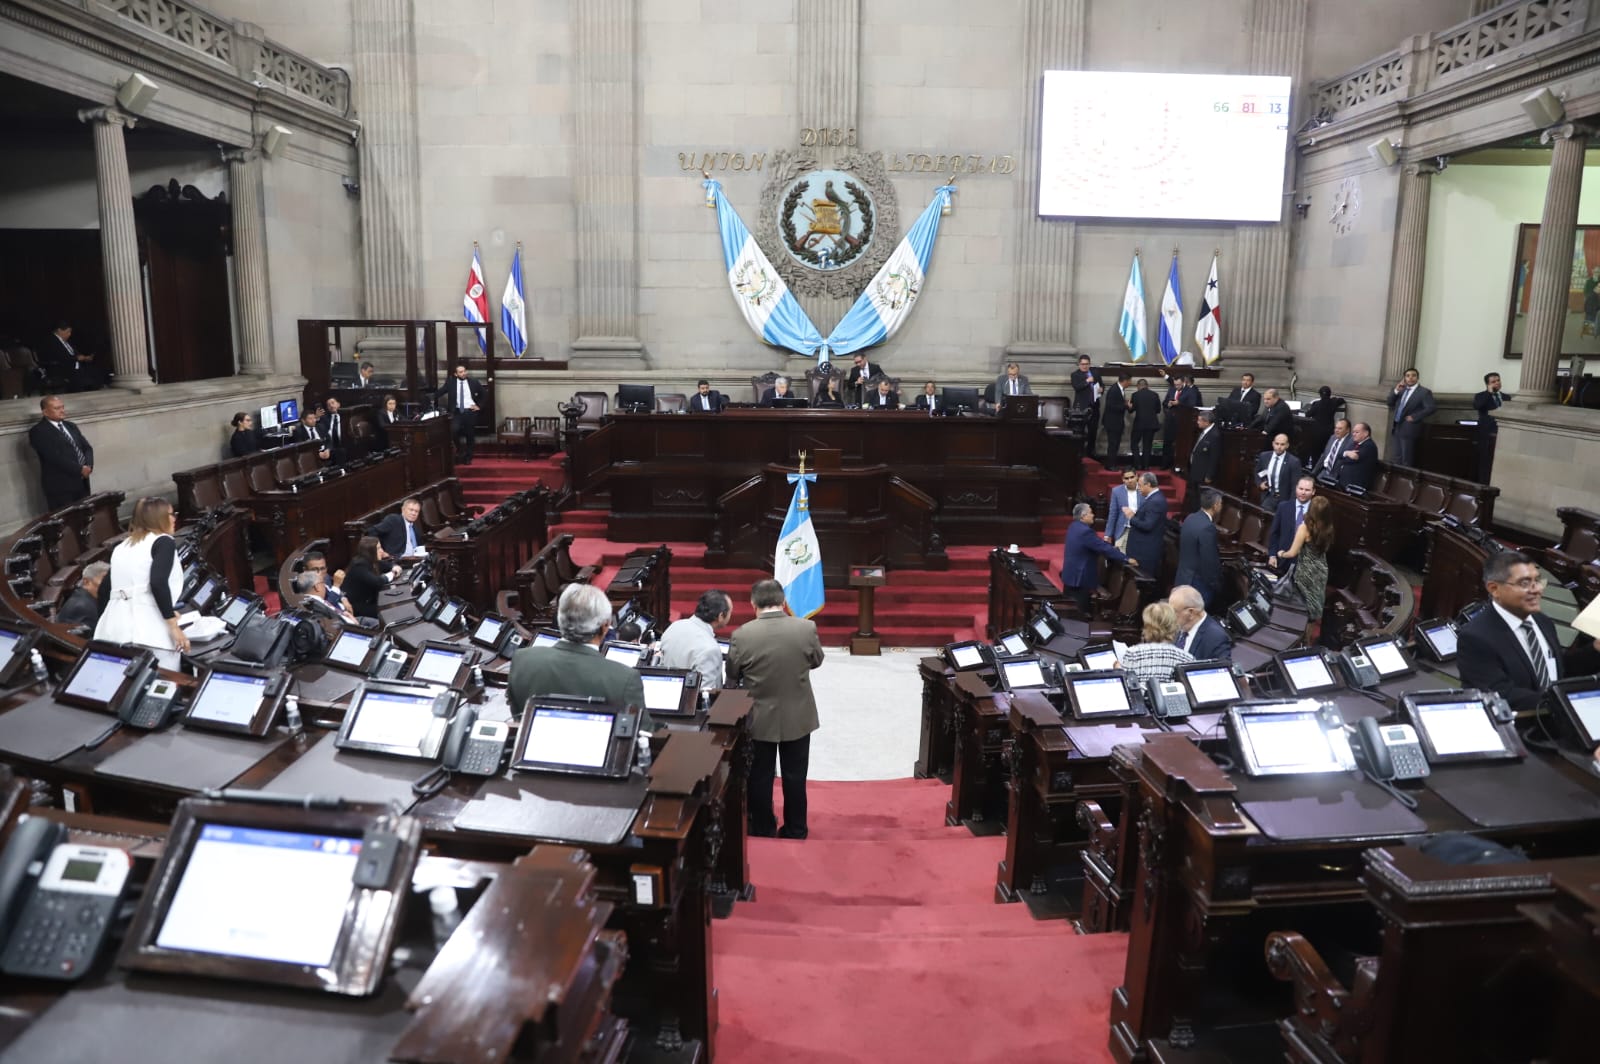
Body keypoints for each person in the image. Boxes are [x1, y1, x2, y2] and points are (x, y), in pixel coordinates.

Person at [726, 578, 824, 839]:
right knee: (795, 777)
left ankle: (762, 828)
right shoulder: (806, 628)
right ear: (783, 602)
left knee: (760, 777)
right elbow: (816, 661)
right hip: (798, 716)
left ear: (752, 604)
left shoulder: (742, 634)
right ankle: (796, 829)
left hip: (758, 718)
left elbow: (733, 672)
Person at [1458, 552, 1600, 712]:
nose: (1537, 590)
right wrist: (1566, 702)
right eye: (1525, 583)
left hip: (1556, 717)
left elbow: (1558, 669)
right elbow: (1501, 694)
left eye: (1538, 581)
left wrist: (1595, 649)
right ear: (1494, 588)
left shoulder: (1542, 621)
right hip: (1521, 727)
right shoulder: (1476, 637)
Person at [507, 583, 652, 726]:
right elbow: (644, 734)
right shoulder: (625, 678)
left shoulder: (522, 660)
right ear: (605, 626)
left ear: (560, 619)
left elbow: (518, 718)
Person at [94, 497, 187, 670]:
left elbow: (104, 591)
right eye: (171, 514)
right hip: (149, 632)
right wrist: (172, 624)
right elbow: (158, 582)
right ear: (158, 517)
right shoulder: (163, 541)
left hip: (113, 631)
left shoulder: (121, 547)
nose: (174, 518)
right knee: (163, 688)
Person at [1273, 494, 1334, 628]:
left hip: (1306, 570)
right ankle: (1308, 635)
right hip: (1321, 569)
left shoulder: (1305, 528)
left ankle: (1296, 631)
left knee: (1301, 605)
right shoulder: (1328, 528)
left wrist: (1281, 553)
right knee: (1314, 604)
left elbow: (1293, 552)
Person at [1060, 503, 1133, 612]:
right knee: (1080, 612)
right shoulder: (1085, 531)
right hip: (1080, 579)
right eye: (1091, 512)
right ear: (1083, 516)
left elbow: (1097, 544)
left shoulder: (1073, 526)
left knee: (1068, 608)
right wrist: (1127, 559)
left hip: (1070, 575)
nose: (1093, 515)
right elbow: (1103, 548)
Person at [27, 395, 94, 510]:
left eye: (62, 407)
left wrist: (88, 466)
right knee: (67, 524)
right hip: (61, 487)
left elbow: (87, 447)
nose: (62, 410)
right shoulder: (38, 431)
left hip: (82, 482)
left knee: (85, 517)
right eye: (57, 408)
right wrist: (80, 469)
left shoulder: (71, 426)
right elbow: (54, 458)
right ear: (45, 412)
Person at [658, 589, 732, 692]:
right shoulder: (710, 649)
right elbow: (705, 695)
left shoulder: (674, 626)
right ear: (720, 616)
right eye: (730, 612)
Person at [1115, 602, 1196, 682]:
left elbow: (1127, 685)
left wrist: (1118, 670)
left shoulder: (1132, 654)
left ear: (1147, 627)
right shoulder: (1187, 659)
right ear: (1173, 626)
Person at [1174, 487, 1224, 608]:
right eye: (1221, 504)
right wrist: (1216, 584)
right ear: (1215, 505)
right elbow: (1209, 560)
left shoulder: (1191, 518)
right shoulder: (1208, 527)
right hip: (1197, 585)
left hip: (1183, 577)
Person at [340, 535, 401, 620]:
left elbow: (388, 565)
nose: (382, 551)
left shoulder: (371, 561)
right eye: (379, 548)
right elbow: (377, 582)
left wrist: (394, 567)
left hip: (369, 600)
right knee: (389, 611)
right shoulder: (359, 565)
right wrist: (393, 572)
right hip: (357, 606)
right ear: (370, 551)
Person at [1386, 367, 1436, 468]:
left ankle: (1404, 481)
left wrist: (1415, 416)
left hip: (1409, 428)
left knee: (1407, 459)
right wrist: (1396, 391)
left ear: (1417, 377)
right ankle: (1395, 480)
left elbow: (1431, 408)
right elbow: (1390, 403)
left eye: (1413, 375)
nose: (1410, 378)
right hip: (1397, 426)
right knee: (1396, 457)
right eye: (1408, 376)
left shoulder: (1424, 392)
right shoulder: (1401, 390)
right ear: (1404, 378)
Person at [1170, 584, 1232, 662]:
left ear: (1191, 613)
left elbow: (1223, 670)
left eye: (1174, 611)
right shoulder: (1177, 627)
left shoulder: (1216, 638)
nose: (1170, 615)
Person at [437, 362, 484, 463]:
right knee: (453, 430)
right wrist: (428, 397)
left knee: (470, 434)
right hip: (457, 411)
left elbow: (484, 394)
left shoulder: (473, 382)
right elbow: (441, 392)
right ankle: (459, 449)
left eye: (464, 371)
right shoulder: (451, 382)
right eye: (460, 372)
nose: (463, 373)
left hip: (469, 411)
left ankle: (468, 457)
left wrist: (478, 406)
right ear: (456, 374)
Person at [1123, 472, 1168, 577]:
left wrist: (1131, 517)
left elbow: (1148, 525)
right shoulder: (1154, 498)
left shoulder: (1155, 501)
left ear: (1148, 485)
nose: (1138, 488)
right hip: (1142, 550)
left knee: (1142, 582)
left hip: (1144, 553)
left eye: (1140, 485)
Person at [38, 321, 100, 391]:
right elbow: (59, 356)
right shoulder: (51, 341)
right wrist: (76, 358)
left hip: (74, 364)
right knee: (86, 374)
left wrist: (84, 357)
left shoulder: (66, 341)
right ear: (59, 330)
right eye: (68, 332)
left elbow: (74, 352)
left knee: (94, 370)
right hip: (61, 367)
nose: (69, 334)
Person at [1472, 372, 1509, 484]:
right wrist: (1489, 392)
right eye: (1493, 382)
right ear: (1488, 384)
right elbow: (1477, 406)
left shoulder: (1506, 397)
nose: (1497, 383)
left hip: (1503, 433)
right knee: (1485, 462)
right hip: (1487, 434)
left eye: (1498, 380)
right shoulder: (1481, 396)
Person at [1268, 475, 1316, 560]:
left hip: (1304, 562)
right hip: (1281, 558)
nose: (1303, 492)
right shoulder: (1283, 507)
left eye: (1307, 490)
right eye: (1300, 489)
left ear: (1313, 492)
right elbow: (1275, 533)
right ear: (1296, 488)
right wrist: (1272, 555)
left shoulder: (1316, 512)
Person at [1254, 433, 1302, 513]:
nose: (1279, 447)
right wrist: (1260, 484)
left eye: (1282, 444)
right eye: (1277, 444)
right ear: (1273, 444)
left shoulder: (1294, 462)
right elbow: (1257, 472)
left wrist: (1290, 504)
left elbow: (1295, 485)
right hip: (1268, 496)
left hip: (1284, 499)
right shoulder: (1264, 456)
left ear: (1287, 445)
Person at [1162, 373, 1200, 468]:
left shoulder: (1190, 391)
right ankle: (1165, 464)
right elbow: (1165, 402)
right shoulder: (1171, 389)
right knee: (1167, 443)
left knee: (1180, 445)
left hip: (1183, 423)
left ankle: (1178, 465)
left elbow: (1192, 405)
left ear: (1184, 382)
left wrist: (1179, 403)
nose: (1176, 387)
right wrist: (1168, 404)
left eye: (1178, 385)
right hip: (1170, 421)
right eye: (1175, 385)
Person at [56, 560, 109, 628]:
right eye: (104, 579)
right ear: (86, 582)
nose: (108, 583)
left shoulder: (88, 599)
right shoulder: (83, 608)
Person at [1185, 411, 1220, 510]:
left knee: (1200, 498)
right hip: (1196, 470)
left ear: (1207, 422)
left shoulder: (1214, 435)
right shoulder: (1205, 431)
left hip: (1203, 474)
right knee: (1194, 496)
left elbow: (1214, 457)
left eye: (1199, 420)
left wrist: (1209, 475)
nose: (1197, 422)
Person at [1128, 378, 1162, 467]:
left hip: (1139, 424)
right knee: (1147, 446)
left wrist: (1129, 406)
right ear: (1147, 386)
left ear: (1138, 386)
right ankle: (1146, 465)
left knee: (1134, 443)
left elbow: (1131, 410)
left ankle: (1138, 464)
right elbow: (1158, 410)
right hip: (1151, 425)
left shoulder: (1135, 395)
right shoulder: (1155, 395)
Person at [1337, 421, 1379, 491]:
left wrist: (1344, 456)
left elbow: (1353, 459)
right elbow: (1339, 454)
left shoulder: (1369, 446)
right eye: (1353, 432)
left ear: (1366, 433)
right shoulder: (1354, 443)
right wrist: (1347, 453)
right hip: (1345, 482)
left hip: (1356, 485)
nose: (1353, 434)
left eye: (1357, 432)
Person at [1304, 386, 1340, 464]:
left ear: (1320, 394)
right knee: (1327, 452)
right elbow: (1341, 400)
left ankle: (1314, 471)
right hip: (1329, 432)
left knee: (1315, 454)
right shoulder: (1334, 403)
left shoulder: (1316, 404)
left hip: (1317, 433)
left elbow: (1307, 414)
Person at [1105, 469, 1139, 550]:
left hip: (1139, 529)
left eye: (1132, 477)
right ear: (1122, 479)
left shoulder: (1144, 489)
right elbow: (1113, 514)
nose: (1129, 480)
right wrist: (1108, 534)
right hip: (1123, 529)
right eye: (1126, 478)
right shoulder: (1116, 491)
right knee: (1119, 557)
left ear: (1137, 476)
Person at [1101, 374, 1128, 467]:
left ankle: (1112, 464)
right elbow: (1111, 406)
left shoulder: (1119, 389)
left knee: (1115, 444)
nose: (1130, 383)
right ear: (1125, 381)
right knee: (1113, 444)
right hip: (1112, 422)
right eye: (1129, 381)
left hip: (1116, 422)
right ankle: (1110, 465)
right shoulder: (1114, 390)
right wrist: (1125, 405)